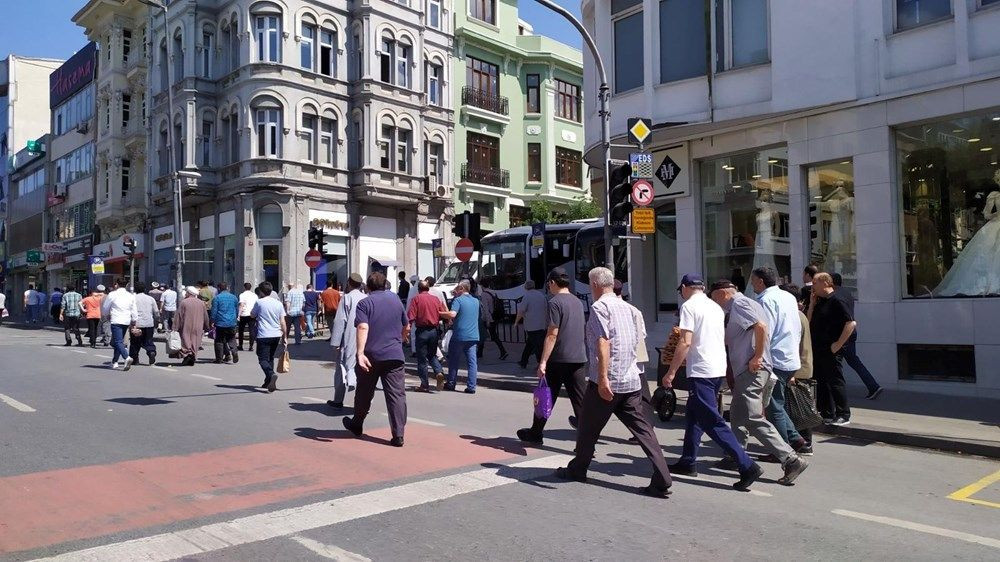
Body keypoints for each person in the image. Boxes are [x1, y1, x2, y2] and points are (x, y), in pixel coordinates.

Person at [554, 267, 673, 499]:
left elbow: (603, 343)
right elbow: (639, 343)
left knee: (587, 428)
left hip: (608, 382)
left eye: (590, 284)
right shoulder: (631, 309)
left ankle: (578, 469)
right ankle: (662, 477)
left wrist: (603, 378)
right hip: (630, 381)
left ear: (596, 285)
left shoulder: (600, 307)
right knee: (644, 430)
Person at [664, 273, 762, 491]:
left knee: (712, 421)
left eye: (680, 290)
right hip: (716, 368)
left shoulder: (689, 307)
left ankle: (747, 465)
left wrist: (671, 372)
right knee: (694, 416)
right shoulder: (715, 307)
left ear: (685, 288)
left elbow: (685, 342)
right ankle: (688, 460)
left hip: (701, 370)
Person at [709, 280, 809, 485]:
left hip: (752, 369)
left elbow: (761, 327)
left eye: (714, 298)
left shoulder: (739, 304)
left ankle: (791, 459)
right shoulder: (746, 303)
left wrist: (757, 356)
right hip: (747, 369)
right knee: (737, 415)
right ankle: (736, 455)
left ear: (721, 293)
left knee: (753, 418)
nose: (715, 303)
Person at [517, 267, 587, 445]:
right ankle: (587, 444)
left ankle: (536, 432)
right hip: (578, 358)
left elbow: (552, 334)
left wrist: (543, 362)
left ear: (553, 283)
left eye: (549, 284)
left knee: (545, 395)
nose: (548, 287)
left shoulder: (555, 302)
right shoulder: (578, 302)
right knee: (580, 403)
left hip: (558, 358)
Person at [342, 272, 410, 447]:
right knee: (396, 395)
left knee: (364, 392)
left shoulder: (365, 303)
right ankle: (398, 434)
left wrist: (360, 353)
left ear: (368, 287)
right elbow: (406, 325)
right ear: (385, 285)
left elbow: (363, 326)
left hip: (371, 355)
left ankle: (357, 423)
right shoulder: (395, 300)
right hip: (394, 355)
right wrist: (400, 341)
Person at [751, 267, 810, 454]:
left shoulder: (765, 300)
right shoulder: (787, 297)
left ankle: (781, 449)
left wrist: (758, 356)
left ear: (760, 281)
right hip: (789, 356)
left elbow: (765, 331)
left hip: (774, 358)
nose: (751, 283)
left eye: (753, 280)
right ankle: (795, 438)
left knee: (772, 405)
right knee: (776, 402)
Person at [807, 272, 854, 425]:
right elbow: (809, 321)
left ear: (825, 283)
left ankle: (843, 413)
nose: (812, 286)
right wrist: (812, 304)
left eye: (814, 283)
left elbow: (851, 323)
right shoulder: (820, 301)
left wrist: (838, 344)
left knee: (835, 380)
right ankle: (826, 412)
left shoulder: (837, 300)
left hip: (831, 347)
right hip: (818, 346)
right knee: (820, 381)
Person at [832, 273, 882, 400]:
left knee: (835, 364)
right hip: (851, 333)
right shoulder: (847, 293)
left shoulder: (835, 295)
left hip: (842, 334)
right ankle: (873, 386)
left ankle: (836, 392)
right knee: (853, 360)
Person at [781, 283, 815, 452]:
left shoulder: (793, 315)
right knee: (799, 406)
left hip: (797, 368)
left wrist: (792, 372)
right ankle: (804, 442)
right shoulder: (799, 314)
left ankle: (803, 443)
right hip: (801, 366)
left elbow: (793, 344)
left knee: (796, 408)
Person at [329, 273, 366, 408]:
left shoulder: (347, 298)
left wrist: (336, 342)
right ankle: (365, 401)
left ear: (349, 283)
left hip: (349, 338)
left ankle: (338, 400)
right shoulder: (366, 298)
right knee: (364, 371)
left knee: (342, 369)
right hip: (365, 338)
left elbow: (340, 321)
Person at [440, 280, 480, 393]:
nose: (456, 290)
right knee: (472, 362)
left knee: (453, 360)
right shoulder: (476, 301)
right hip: (473, 335)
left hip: (460, 334)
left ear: (462, 289)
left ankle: (451, 383)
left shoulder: (458, 300)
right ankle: (472, 386)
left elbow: (452, 314)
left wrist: (440, 313)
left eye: (457, 288)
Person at [408, 280, 447, 392]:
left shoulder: (416, 299)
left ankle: (424, 384)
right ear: (428, 288)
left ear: (418, 289)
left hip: (422, 331)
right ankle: (439, 371)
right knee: (432, 355)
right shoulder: (435, 299)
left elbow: (411, 316)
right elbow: (442, 313)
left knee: (422, 359)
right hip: (434, 331)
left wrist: (407, 330)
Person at [251, 282, 287, 393]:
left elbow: (252, 315)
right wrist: (285, 337)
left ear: (261, 292)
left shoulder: (259, 302)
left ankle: (271, 375)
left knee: (262, 358)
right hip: (276, 334)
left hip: (263, 335)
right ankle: (268, 381)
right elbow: (283, 322)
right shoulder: (278, 303)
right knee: (270, 357)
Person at [101, 278, 138, 371]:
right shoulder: (130, 295)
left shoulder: (112, 294)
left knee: (117, 342)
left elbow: (105, 308)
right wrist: (134, 320)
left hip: (116, 320)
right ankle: (115, 362)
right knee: (119, 342)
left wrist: (106, 314)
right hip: (126, 320)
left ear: (116, 284)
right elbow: (134, 309)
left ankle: (126, 357)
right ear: (126, 285)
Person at [515, 280, 547, 369]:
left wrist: (516, 322)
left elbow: (521, 311)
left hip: (531, 325)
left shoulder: (526, 296)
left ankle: (540, 363)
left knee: (537, 346)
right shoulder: (541, 295)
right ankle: (523, 361)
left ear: (526, 287)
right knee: (531, 344)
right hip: (541, 324)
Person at [175, 286, 211, 366]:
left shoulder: (184, 302)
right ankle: (193, 355)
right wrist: (207, 326)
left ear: (188, 293)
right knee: (195, 341)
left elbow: (179, 316)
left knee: (185, 340)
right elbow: (205, 316)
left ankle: (188, 355)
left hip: (186, 325)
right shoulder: (201, 303)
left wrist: (175, 327)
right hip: (198, 326)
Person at [129, 282, 160, 366]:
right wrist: (157, 320)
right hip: (149, 323)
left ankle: (134, 359)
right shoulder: (150, 299)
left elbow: (129, 311)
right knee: (148, 340)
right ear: (145, 289)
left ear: (135, 289)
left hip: (137, 324)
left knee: (135, 343)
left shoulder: (132, 298)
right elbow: (156, 312)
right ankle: (151, 351)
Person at [477, 279, 508, 360]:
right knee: (492, 335)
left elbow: (486, 309)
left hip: (488, 318)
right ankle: (502, 351)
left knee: (484, 335)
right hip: (495, 316)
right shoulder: (493, 292)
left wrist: (487, 320)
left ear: (482, 286)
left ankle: (503, 351)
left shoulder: (484, 294)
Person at [211, 282, 240, 364]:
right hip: (231, 322)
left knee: (219, 340)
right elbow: (237, 310)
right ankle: (234, 351)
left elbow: (214, 312)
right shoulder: (234, 297)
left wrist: (212, 321)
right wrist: (235, 318)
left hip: (220, 322)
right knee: (231, 338)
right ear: (227, 288)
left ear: (219, 289)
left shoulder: (217, 298)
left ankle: (219, 358)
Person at [237, 282, 258, 351]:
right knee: (251, 330)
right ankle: (251, 346)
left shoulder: (242, 295)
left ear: (244, 287)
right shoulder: (255, 295)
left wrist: (238, 315)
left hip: (244, 314)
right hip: (252, 314)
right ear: (250, 287)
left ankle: (240, 345)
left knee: (241, 330)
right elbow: (256, 305)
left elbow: (241, 305)